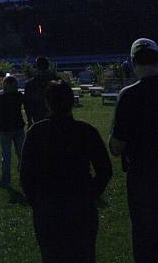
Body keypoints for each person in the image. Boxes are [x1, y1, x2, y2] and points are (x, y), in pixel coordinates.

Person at [20, 79, 112, 263]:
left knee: (52, 255)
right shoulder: (86, 131)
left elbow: (26, 174)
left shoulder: (36, 132)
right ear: (72, 102)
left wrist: (36, 201)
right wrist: (90, 194)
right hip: (81, 205)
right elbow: (105, 170)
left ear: (47, 103)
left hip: (48, 206)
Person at [109, 38, 158, 263]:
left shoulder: (128, 96)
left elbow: (117, 147)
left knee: (144, 236)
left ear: (133, 62)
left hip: (142, 176)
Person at [0, 74, 26, 188]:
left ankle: (5, 180)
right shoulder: (19, 96)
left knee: (6, 156)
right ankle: (23, 178)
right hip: (18, 128)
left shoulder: (1, 98)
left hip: (5, 129)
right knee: (21, 155)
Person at [24, 56, 58, 126]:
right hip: (54, 114)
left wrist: (29, 120)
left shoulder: (30, 84)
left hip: (38, 113)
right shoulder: (56, 81)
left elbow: (27, 103)